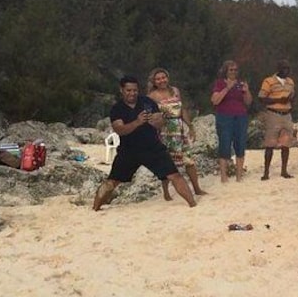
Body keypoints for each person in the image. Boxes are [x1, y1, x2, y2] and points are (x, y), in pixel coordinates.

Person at [93, 75, 196, 210]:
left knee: (174, 175)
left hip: (152, 147)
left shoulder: (147, 102)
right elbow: (120, 130)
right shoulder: (117, 109)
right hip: (128, 151)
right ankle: (95, 208)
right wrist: (137, 122)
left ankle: (193, 205)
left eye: (135, 90)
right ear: (122, 90)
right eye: (128, 90)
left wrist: (156, 120)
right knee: (111, 182)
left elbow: (161, 123)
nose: (132, 93)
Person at [147, 67, 207, 199]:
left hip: (179, 130)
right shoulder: (151, 97)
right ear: (154, 81)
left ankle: (197, 188)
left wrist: (190, 126)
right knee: (167, 163)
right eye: (158, 79)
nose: (162, 80)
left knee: (189, 160)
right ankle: (166, 193)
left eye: (163, 77)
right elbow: (151, 117)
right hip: (165, 132)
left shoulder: (175, 91)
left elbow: (182, 109)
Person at [210, 60, 252, 182]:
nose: (234, 72)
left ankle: (239, 176)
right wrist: (227, 88)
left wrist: (247, 91)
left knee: (240, 144)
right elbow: (215, 101)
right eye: (231, 70)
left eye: (235, 70)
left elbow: (248, 102)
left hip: (240, 116)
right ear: (225, 71)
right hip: (224, 116)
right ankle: (224, 176)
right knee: (224, 143)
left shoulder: (241, 83)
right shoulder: (219, 83)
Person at [258, 59, 296, 180]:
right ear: (278, 69)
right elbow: (262, 98)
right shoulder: (269, 81)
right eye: (284, 68)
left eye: (288, 68)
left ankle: (284, 171)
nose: (287, 71)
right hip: (274, 114)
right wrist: (279, 100)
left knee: (286, 144)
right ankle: (266, 172)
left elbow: (293, 95)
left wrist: (291, 100)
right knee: (270, 143)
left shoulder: (290, 82)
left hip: (287, 114)